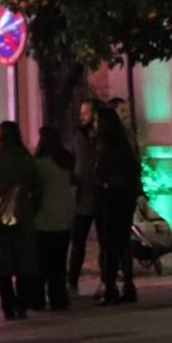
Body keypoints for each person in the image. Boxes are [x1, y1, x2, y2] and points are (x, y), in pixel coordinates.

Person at [0, 122, 43, 320]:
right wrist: (32, 209)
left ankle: (8, 306)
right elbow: (38, 188)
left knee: (1, 264)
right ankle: (21, 304)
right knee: (23, 262)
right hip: (23, 215)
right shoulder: (26, 159)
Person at [93, 105, 141, 305]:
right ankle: (128, 285)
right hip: (126, 196)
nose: (94, 125)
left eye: (96, 121)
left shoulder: (104, 145)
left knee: (110, 243)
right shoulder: (124, 144)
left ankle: (110, 286)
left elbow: (100, 173)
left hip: (110, 195)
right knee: (123, 241)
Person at [31, 127, 77, 311]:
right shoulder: (66, 162)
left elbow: (33, 190)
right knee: (58, 262)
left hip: (42, 218)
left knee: (41, 263)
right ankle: (59, 298)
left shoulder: (39, 164)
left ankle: (38, 299)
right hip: (63, 217)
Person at [66, 98, 104, 294]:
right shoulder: (78, 137)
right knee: (78, 242)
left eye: (86, 113)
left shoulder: (104, 136)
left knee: (105, 242)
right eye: (82, 112)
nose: (82, 116)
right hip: (82, 197)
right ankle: (72, 280)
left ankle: (106, 280)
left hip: (101, 195)